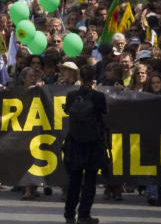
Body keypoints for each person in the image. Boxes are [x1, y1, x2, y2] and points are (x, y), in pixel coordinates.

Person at [61, 64, 107, 224]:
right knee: (90, 181)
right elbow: (103, 114)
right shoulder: (99, 97)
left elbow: (67, 111)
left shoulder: (72, 96)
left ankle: (69, 214)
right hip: (93, 143)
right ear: (94, 79)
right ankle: (84, 215)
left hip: (75, 143)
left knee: (74, 181)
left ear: (80, 78)